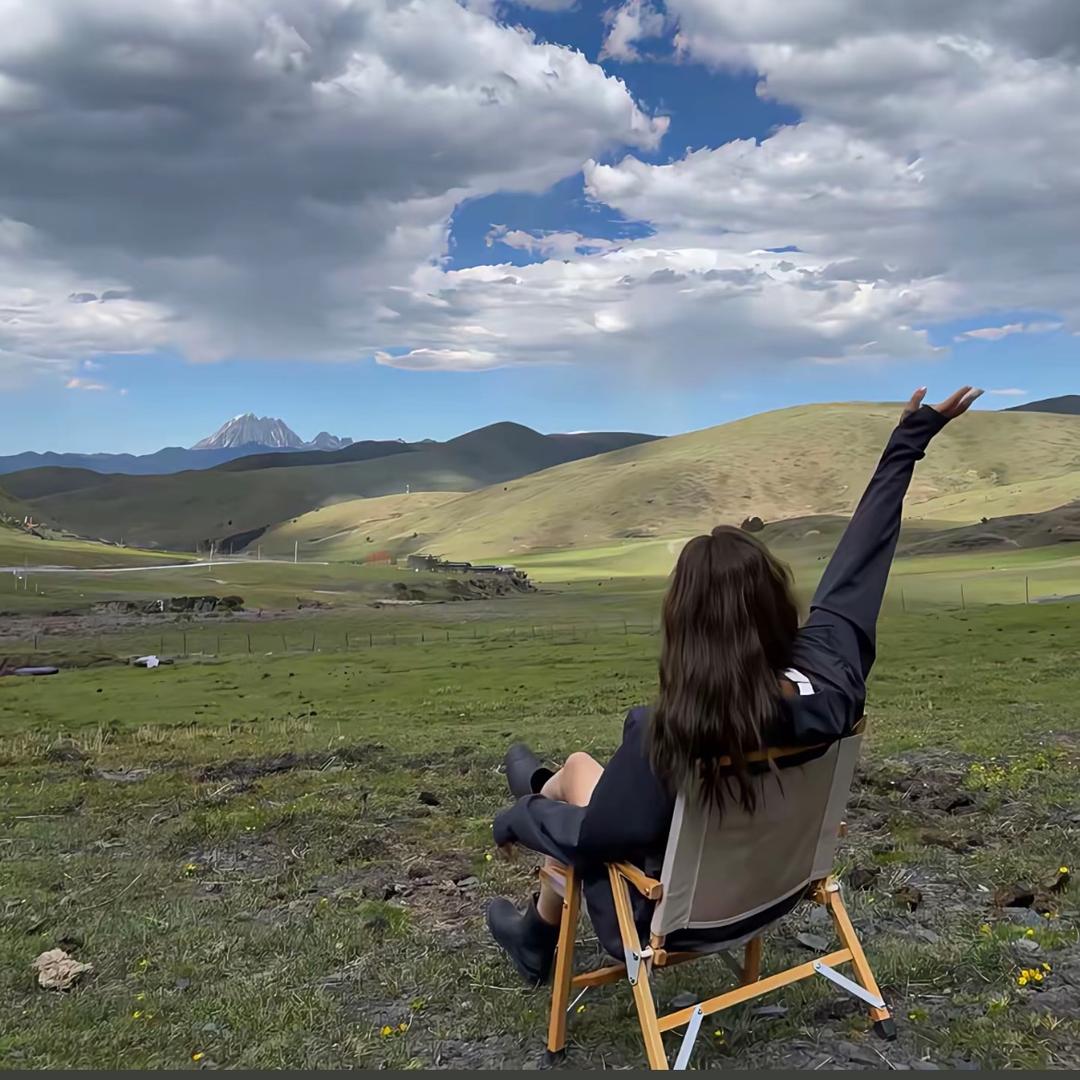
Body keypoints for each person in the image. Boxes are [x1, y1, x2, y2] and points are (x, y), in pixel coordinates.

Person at [486, 386, 983, 983]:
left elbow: (597, 837)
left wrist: (518, 818)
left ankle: (540, 819)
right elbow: (859, 566)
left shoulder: (673, 730)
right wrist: (906, 444)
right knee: (576, 771)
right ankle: (544, 836)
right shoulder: (831, 673)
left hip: (669, 911)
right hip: (775, 885)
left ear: (684, 630)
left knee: (572, 800)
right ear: (776, 604)